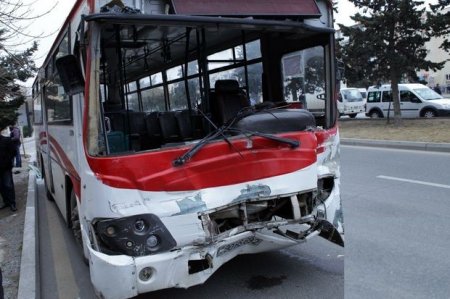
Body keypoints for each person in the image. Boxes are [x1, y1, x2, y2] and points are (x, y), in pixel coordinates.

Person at [0, 126, 17, 211]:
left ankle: (12, 203)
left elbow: (13, 151)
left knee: (8, 185)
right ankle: (6, 202)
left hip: (6, 168)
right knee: (1, 187)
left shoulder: (6, 140)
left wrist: (7, 161)